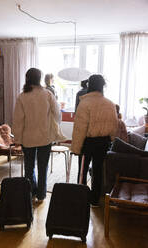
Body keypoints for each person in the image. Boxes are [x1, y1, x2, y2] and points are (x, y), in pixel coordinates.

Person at [12, 68, 60, 204]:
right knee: (43, 167)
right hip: (45, 137)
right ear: (39, 78)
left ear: (27, 78)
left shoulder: (22, 96)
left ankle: (31, 192)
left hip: (28, 138)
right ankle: (42, 195)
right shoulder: (47, 94)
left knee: (29, 167)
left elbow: (18, 120)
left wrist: (17, 139)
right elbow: (57, 115)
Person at [71, 74, 118, 207]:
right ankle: (95, 199)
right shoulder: (110, 104)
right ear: (102, 86)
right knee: (98, 171)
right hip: (104, 142)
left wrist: (76, 148)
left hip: (88, 142)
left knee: (82, 170)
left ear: (89, 85)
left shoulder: (85, 103)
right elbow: (114, 127)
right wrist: (112, 140)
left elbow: (80, 129)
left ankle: (81, 196)